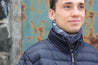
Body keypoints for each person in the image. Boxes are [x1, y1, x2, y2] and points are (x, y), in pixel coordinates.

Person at [17, 0, 98, 65]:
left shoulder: (95, 56)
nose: (76, 13)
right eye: (67, 7)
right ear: (52, 14)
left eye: (81, 7)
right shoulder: (33, 57)